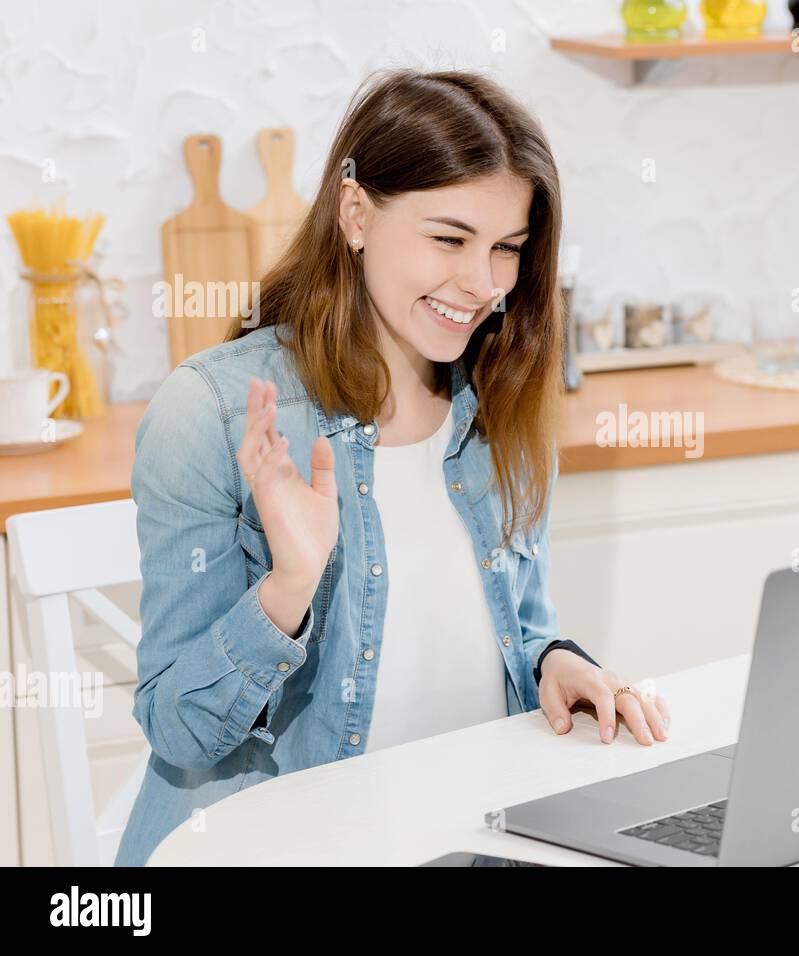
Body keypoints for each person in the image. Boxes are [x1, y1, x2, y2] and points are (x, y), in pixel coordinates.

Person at [116, 69, 669, 866]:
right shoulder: (210, 412)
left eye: (507, 249)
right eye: (448, 239)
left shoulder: (502, 398)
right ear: (355, 214)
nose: (482, 285)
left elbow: (519, 624)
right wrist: (286, 592)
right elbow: (178, 730)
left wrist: (555, 662)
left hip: (460, 844)